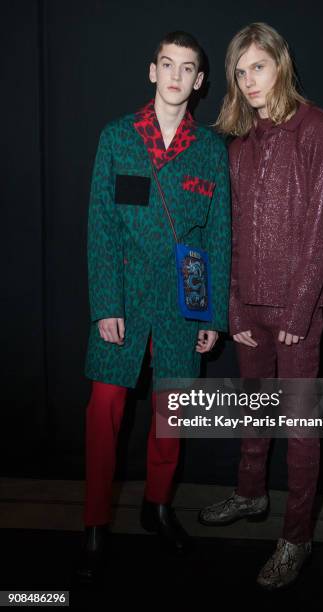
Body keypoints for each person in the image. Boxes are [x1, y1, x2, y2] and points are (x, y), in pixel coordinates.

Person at [78, 30, 230, 581]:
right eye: (166, 64)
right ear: (152, 71)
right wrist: (104, 305)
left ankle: (157, 507)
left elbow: (215, 237)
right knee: (103, 414)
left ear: (199, 81)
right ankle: (95, 523)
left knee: (172, 416)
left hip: (179, 301)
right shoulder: (118, 137)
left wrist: (210, 315)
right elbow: (101, 227)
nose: (174, 75)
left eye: (186, 68)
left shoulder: (211, 150)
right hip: (121, 294)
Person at [199, 22, 323, 590]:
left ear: (280, 63)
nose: (248, 79)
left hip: (295, 314)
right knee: (254, 411)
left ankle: (295, 537)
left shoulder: (319, 128)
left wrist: (300, 309)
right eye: (240, 71)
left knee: (301, 427)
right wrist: (233, 308)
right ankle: (251, 494)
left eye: (256, 66)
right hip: (250, 311)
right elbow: (228, 232)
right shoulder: (239, 144)